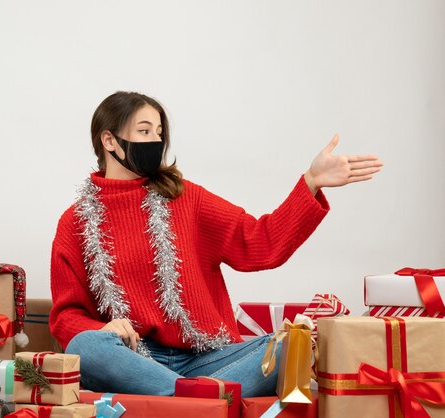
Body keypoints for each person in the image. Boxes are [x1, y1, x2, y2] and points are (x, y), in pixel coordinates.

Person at [49, 91, 383, 397]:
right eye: (145, 131)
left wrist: (311, 183)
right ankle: (202, 401)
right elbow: (66, 316)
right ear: (109, 140)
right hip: (135, 362)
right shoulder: (75, 221)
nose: (156, 140)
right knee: (87, 346)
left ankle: (187, 400)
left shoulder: (185, 197)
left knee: (288, 345)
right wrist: (103, 328)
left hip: (207, 359)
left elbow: (259, 243)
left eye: (160, 133)